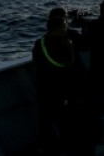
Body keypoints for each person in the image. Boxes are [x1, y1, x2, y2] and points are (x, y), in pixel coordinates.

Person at [32, 15, 78, 154]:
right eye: (64, 26)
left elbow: (37, 65)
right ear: (57, 28)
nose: (66, 29)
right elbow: (69, 64)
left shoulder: (39, 43)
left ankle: (44, 148)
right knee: (65, 122)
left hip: (44, 88)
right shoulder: (64, 44)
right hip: (59, 89)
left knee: (44, 122)